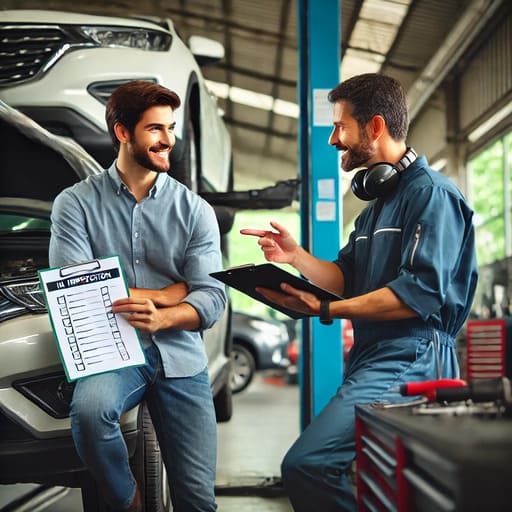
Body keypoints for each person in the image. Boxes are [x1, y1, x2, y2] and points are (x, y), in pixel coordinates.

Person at [241, 73, 478, 511]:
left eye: (340, 127)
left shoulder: (432, 196)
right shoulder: (377, 206)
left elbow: (418, 294)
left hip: (414, 352)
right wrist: (295, 257)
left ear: (375, 127)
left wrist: (326, 308)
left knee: (308, 464)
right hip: (373, 353)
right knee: (372, 478)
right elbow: (346, 275)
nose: (333, 139)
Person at [49, 80, 226, 511]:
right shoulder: (75, 204)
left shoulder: (195, 211)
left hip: (180, 356)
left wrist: (165, 315)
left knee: (198, 500)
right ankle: (128, 502)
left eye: (170, 128)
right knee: (91, 414)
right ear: (123, 133)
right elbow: (74, 288)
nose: (169, 140)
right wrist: (172, 291)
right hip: (109, 352)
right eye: (155, 129)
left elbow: (212, 299)